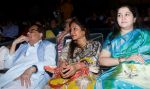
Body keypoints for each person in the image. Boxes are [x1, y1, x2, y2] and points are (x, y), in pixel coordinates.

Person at [95, 5, 150, 89]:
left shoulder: (144, 34)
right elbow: (102, 60)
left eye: (127, 14)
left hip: (144, 68)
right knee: (108, 82)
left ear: (134, 18)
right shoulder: (112, 37)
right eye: (119, 15)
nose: (123, 18)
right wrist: (125, 59)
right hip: (120, 71)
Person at [45, 17, 101, 89]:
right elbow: (63, 58)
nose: (71, 32)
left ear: (84, 31)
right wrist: (62, 66)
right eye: (71, 30)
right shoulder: (68, 45)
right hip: (69, 75)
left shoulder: (95, 44)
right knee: (50, 84)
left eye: (75, 29)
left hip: (87, 76)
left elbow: (92, 60)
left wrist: (76, 67)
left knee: (82, 82)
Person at [0, 24, 56, 89]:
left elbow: (51, 62)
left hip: (30, 77)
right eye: (28, 31)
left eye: (31, 31)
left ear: (40, 34)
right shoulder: (23, 47)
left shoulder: (47, 45)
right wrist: (14, 43)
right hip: (10, 76)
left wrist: (31, 69)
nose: (28, 33)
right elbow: (7, 66)